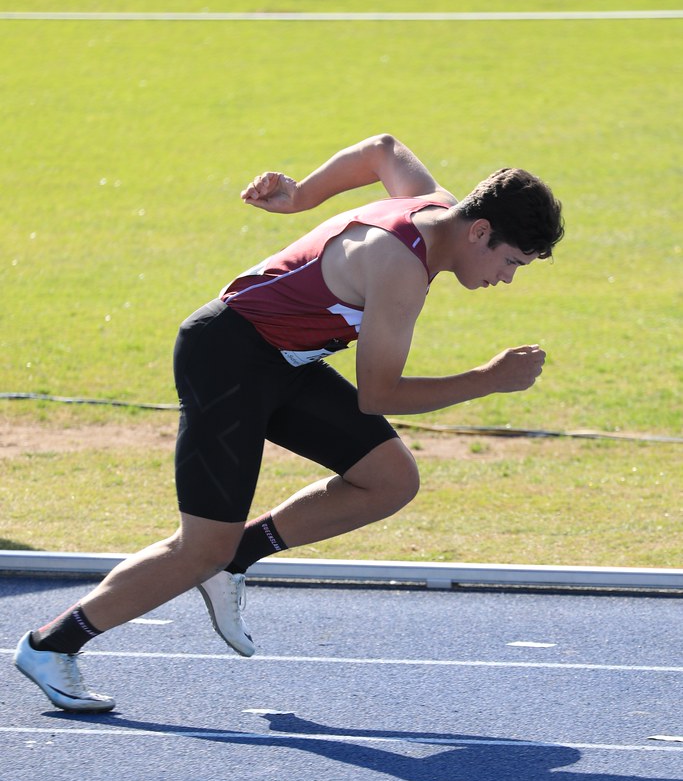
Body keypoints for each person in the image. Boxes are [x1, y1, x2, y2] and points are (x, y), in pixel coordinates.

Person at [13, 134, 564, 712]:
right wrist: (487, 378)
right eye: (511, 262)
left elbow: (382, 149)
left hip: (282, 361)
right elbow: (378, 395)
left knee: (390, 479)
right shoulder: (399, 267)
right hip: (226, 358)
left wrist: (302, 195)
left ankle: (236, 557)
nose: (507, 278)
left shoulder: (432, 201)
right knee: (198, 549)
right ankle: (52, 644)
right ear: (480, 231)